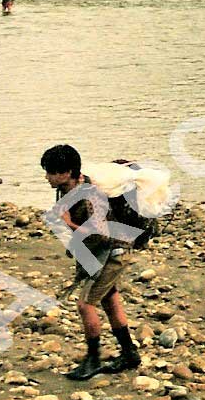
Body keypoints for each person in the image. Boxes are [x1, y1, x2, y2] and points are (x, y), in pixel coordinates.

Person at [41, 144, 142, 380]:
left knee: (86, 305)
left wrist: (68, 223)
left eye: (50, 172)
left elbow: (102, 234)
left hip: (114, 252)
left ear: (66, 172)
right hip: (103, 252)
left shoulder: (90, 194)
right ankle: (129, 354)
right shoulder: (68, 190)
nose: (47, 177)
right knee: (109, 299)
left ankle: (93, 359)